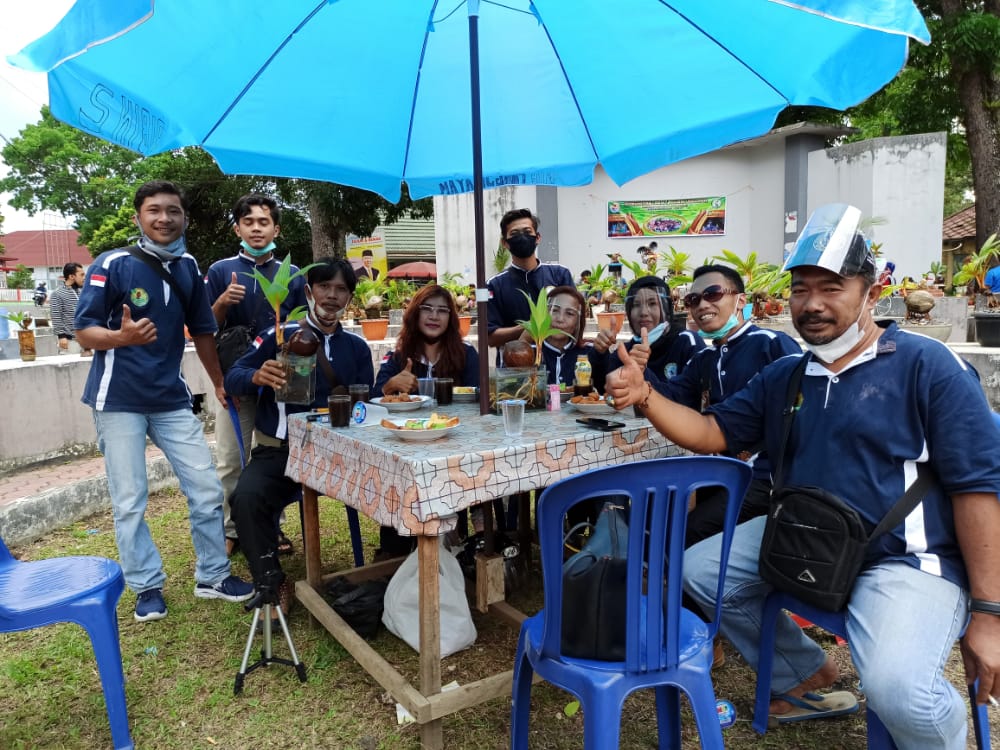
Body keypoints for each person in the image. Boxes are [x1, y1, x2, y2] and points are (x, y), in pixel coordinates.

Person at [605, 204, 1000, 745]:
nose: (812, 304)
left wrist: (990, 614)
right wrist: (646, 395)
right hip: (803, 535)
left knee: (902, 692)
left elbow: (979, 488)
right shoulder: (786, 374)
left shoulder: (927, 366)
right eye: (800, 289)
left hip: (905, 562)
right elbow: (713, 431)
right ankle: (804, 672)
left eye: (832, 287)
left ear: (870, 292)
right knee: (700, 570)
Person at [74, 180, 254, 622]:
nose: (164, 218)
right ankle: (146, 586)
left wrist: (218, 381)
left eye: (173, 211)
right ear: (139, 216)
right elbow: (84, 331)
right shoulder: (113, 264)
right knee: (130, 498)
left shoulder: (189, 265)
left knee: (207, 489)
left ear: (184, 218)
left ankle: (213, 574)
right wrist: (121, 337)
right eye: (154, 210)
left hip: (171, 397)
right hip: (118, 401)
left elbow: (204, 331)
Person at [226, 257, 373, 613]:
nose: (332, 296)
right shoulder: (280, 336)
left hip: (337, 453)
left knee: (396, 478)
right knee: (245, 499)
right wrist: (257, 376)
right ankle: (271, 582)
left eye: (341, 290)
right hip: (281, 451)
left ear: (350, 298)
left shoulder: (357, 348)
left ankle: (393, 560)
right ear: (309, 291)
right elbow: (234, 375)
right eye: (325, 287)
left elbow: (365, 400)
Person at [657, 264, 800, 546]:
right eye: (693, 299)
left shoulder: (771, 345)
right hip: (718, 472)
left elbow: (799, 416)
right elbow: (669, 397)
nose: (702, 305)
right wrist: (637, 377)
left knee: (686, 532)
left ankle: (682, 584)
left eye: (713, 293)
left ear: (740, 301)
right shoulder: (706, 359)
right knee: (659, 509)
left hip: (763, 478)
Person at [205, 194, 306, 556]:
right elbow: (203, 329)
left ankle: (268, 528)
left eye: (264, 222)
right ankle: (232, 530)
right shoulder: (220, 271)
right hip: (235, 381)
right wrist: (221, 304)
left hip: (278, 385)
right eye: (249, 222)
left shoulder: (291, 275)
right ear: (238, 228)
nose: (257, 228)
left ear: (276, 228)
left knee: (270, 462)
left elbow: (302, 327)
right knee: (231, 460)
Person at [373, 283, 479, 556]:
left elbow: (481, 398)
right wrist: (389, 386)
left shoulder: (466, 355)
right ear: (414, 315)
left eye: (442, 311)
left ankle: (458, 545)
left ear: (451, 319)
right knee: (399, 480)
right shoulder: (399, 357)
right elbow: (374, 400)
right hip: (407, 447)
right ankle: (394, 550)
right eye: (427, 309)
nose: (434, 316)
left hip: (455, 445)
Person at [588, 274, 703, 394]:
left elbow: (688, 398)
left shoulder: (688, 343)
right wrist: (599, 354)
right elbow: (602, 393)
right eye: (636, 305)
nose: (643, 312)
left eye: (652, 303)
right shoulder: (625, 352)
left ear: (666, 308)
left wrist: (642, 372)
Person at [486, 208, 574, 361]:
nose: (522, 237)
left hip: (558, 364)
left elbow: (575, 322)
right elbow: (491, 337)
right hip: (513, 368)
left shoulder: (560, 275)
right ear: (505, 243)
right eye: (514, 234)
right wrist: (528, 327)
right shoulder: (494, 285)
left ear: (537, 237)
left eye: (527, 231)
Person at [49, 262, 91, 356]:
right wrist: (61, 336)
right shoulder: (58, 293)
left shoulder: (83, 291)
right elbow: (56, 316)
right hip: (70, 341)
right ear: (72, 276)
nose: (84, 277)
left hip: (87, 341)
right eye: (81, 275)